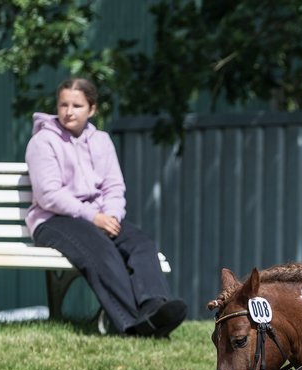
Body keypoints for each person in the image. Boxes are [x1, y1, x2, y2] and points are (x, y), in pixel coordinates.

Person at [25, 77, 186, 337]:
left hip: (98, 217)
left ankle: (154, 307)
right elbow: (49, 195)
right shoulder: (43, 142)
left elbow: (114, 186)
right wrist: (94, 217)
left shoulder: (101, 140)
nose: (68, 111)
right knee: (99, 249)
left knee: (140, 242)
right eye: (63, 104)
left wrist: (111, 216)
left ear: (92, 109)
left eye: (76, 105)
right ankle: (130, 324)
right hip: (54, 221)